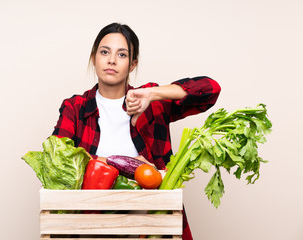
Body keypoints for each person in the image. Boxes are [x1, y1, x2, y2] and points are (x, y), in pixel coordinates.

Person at [52, 22, 221, 240]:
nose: (111, 60)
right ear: (94, 57)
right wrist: (126, 165)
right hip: (90, 228)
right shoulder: (75, 107)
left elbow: (210, 90)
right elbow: (57, 159)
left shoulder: (152, 105)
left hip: (149, 227)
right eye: (105, 52)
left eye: (122, 55)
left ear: (133, 65)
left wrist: (153, 94)